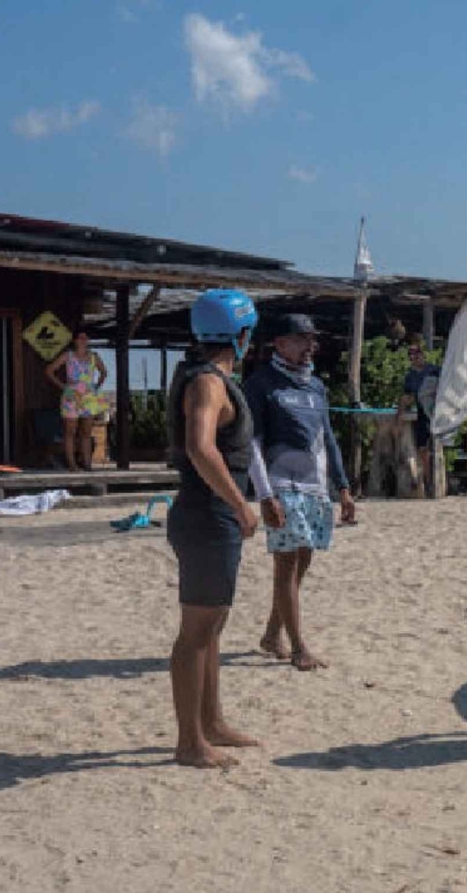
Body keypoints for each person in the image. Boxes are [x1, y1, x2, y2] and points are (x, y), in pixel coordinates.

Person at [165, 289, 261, 769]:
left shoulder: (207, 376)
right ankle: (189, 743)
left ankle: (212, 722)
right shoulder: (207, 384)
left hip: (207, 515)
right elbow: (201, 447)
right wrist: (240, 503)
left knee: (213, 625)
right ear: (243, 335)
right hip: (207, 515)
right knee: (197, 631)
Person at [244, 313, 356, 671]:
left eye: (312, 339)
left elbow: (329, 438)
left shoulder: (316, 387)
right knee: (287, 564)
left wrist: (343, 487)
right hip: (280, 485)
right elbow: (252, 443)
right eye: (301, 338)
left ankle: (272, 634)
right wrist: (265, 495)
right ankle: (298, 648)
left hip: (314, 486)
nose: (310, 346)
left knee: (303, 561)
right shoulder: (261, 383)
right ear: (279, 343)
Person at [44, 330, 108, 471]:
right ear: (75, 340)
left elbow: (104, 372)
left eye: (86, 337)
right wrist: (63, 386)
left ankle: (87, 464)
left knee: (86, 431)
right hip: (71, 395)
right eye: (80, 337)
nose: (83, 340)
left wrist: (96, 386)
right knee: (70, 431)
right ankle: (72, 464)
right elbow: (49, 370)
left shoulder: (94, 356)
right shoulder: (68, 355)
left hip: (89, 397)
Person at [402, 340, 441, 484]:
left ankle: (434, 477)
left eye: (417, 353)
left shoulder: (434, 370)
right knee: (422, 447)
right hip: (421, 413)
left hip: (436, 412)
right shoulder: (410, 376)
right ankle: (426, 477)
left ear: (422, 354)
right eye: (411, 354)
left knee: (435, 445)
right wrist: (399, 414)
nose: (414, 357)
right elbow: (407, 396)